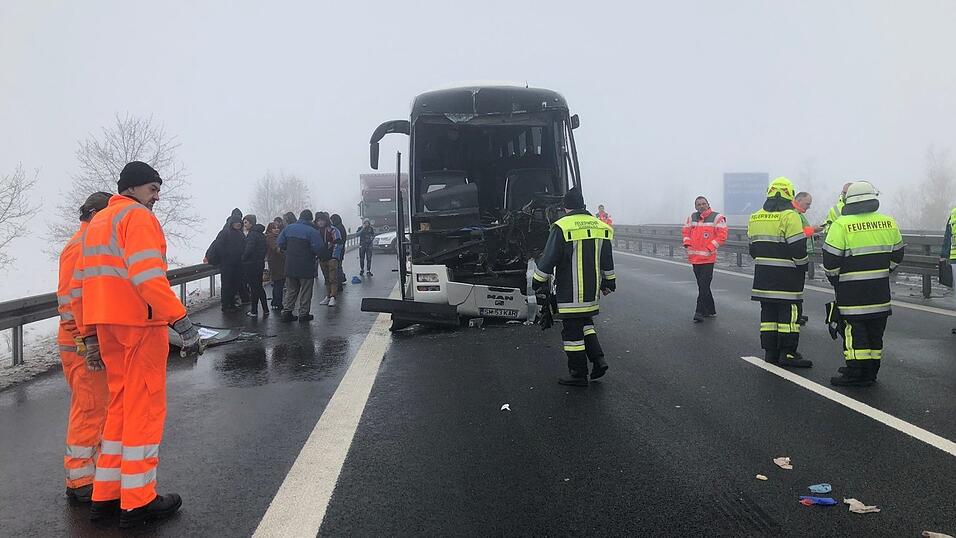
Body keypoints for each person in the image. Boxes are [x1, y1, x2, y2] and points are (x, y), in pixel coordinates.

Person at [70, 161, 200, 527]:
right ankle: (139, 501)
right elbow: (147, 277)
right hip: (139, 326)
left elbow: (82, 284)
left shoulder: (96, 224)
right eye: (152, 189)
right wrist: (181, 320)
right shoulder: (138, 218)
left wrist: (90, 333)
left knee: (120, 409)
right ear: (132, 188)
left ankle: (106, 497)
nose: (157, 196)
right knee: (144, 410)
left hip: (107, 326)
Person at [56, 191, 112, 503]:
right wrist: (84, 339)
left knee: (100, 408)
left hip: (89, 341)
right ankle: (79, 481)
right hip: (80, 344)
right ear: (94, 215)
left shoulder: (91, 243)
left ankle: (95, 474)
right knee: (89, 408)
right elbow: (68, 302)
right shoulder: (79, 247)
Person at [532, 186, 615, 387]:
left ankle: (578, 373)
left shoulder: (562, 226)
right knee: (585, 323)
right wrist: (609, 282)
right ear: (583, 205)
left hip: (570, 291)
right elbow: (607, 259)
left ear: (566, 207)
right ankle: (598, 360)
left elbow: (549, 257)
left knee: (572, 333)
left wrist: (538, 280)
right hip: (591, 290)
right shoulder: (600, 226)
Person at [823, 181, 904, 387]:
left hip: (851, 293)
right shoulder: (889, 222)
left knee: (854, 332)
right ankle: (871, 371)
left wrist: (836, 281)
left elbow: (830, 261)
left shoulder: (841, 224)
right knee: (875, 332)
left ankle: (855, 372)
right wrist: (883, 272)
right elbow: (897, 255)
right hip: (879, 291)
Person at [746, 177, 812, 368]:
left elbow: (752, 250)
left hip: (763, 277)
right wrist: (802, 267)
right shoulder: (789, 216)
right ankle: (788, 354)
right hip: (787, 279)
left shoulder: (755, 216)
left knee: (768, 317)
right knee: (789, 318)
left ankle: (770, 353)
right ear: (790, 194)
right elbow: (798, 248)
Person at [682, 196, 728, 322]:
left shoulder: (717, 218)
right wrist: (687, 243)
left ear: (708, 204)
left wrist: (709, 248)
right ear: (695, 207)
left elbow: (722, 236)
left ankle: (699, 312)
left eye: (703, 203)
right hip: (694, 258)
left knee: (703, 285)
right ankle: (710, 309)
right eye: (698, 204)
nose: (701, 206)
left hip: (708, 259)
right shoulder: (692, 217)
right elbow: (685, 232)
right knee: (703, 286)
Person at [277, 209, 326, 322]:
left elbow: (280, 243)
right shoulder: (312, 231)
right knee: (305, 291)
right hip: (306, 266)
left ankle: (287, 312)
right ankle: (303, 314)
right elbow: (319, 248)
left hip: (290, 265)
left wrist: (288, 251)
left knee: (291, 290)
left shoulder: (288, 228)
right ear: (310, 219)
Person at [207, 216, 245, 312]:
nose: (238, 224)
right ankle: (226, 305)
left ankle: (232, 303)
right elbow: (218, 246)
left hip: (237, 264)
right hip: (227, 264)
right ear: (231, 223)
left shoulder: (240, 234)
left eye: (239, 222)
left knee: (235, 285)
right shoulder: (225, 233)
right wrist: (227, 256)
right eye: (236, 222)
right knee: (227, 285)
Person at [242, 215, 269, 317]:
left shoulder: (252, 235)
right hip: (259, 263)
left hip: (251, 264)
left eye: (246, 222)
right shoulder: (261, 234)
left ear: (251, 223)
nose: (244, 225)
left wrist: (243, 258)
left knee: (254, 288)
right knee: (259, 287)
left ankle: (254, 310)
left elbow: (249, 249)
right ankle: (265, 309)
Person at [315, 212, 343, 307]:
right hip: (322, 258)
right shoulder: (317, 231)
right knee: (326, 278)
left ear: (326, 220)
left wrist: (335, 256)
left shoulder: (333, 230)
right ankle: (328, 296)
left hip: (331, 258)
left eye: (322, 220)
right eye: (318, 220)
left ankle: (333, 297)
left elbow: (339, 243)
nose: (320, 222)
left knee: (333, 278)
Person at [265, 221, 286, 310]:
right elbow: (276, 248)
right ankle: (277, 302)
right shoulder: (270, 237)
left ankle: (276, 301)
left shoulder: (278, 236)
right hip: (275, 262)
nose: (276, 229)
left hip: (279, 262)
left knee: (279, 283)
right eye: (274, 228)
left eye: (278, 227)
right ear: (270, 229)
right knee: (278, 283)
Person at [330, 213, 348, 285]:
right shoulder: (342, 227)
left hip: (337, 250)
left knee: (337, 266)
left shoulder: (337, 229)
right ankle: (341, 279)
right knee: (339, 265)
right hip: (342, 249)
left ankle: (339, 281)